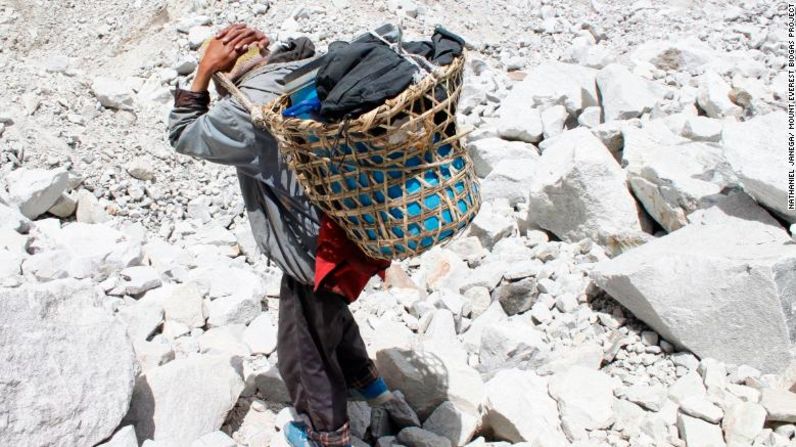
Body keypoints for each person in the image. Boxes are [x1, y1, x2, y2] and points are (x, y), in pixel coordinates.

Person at [168, 24, 413, 447]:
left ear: (228, 70)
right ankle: (369, 385)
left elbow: (185, 135)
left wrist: (203, 74)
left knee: (303, 347)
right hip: (363, 225)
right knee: (327, 310)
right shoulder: (310, 67)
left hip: (316, 246)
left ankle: (325, 433)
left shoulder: (248, 109)